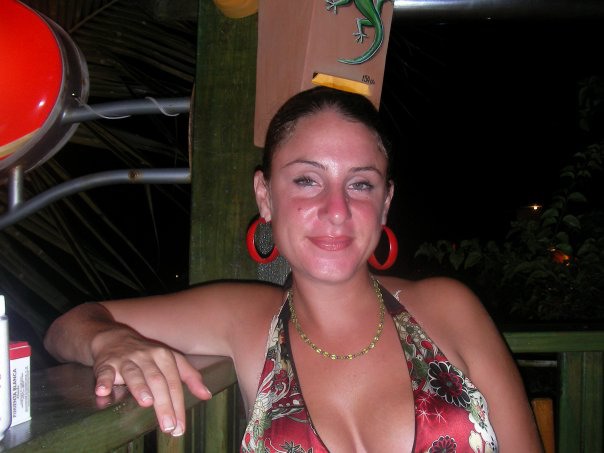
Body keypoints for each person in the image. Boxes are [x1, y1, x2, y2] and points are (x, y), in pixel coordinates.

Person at [44, 86, 543, 452]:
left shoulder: (448, 308)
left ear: (386, 203)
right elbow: (69, 326)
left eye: (361, 184)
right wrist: (112, 342)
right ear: (265, 196)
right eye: (307, 180)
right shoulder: (246, 318)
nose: (336, 210)